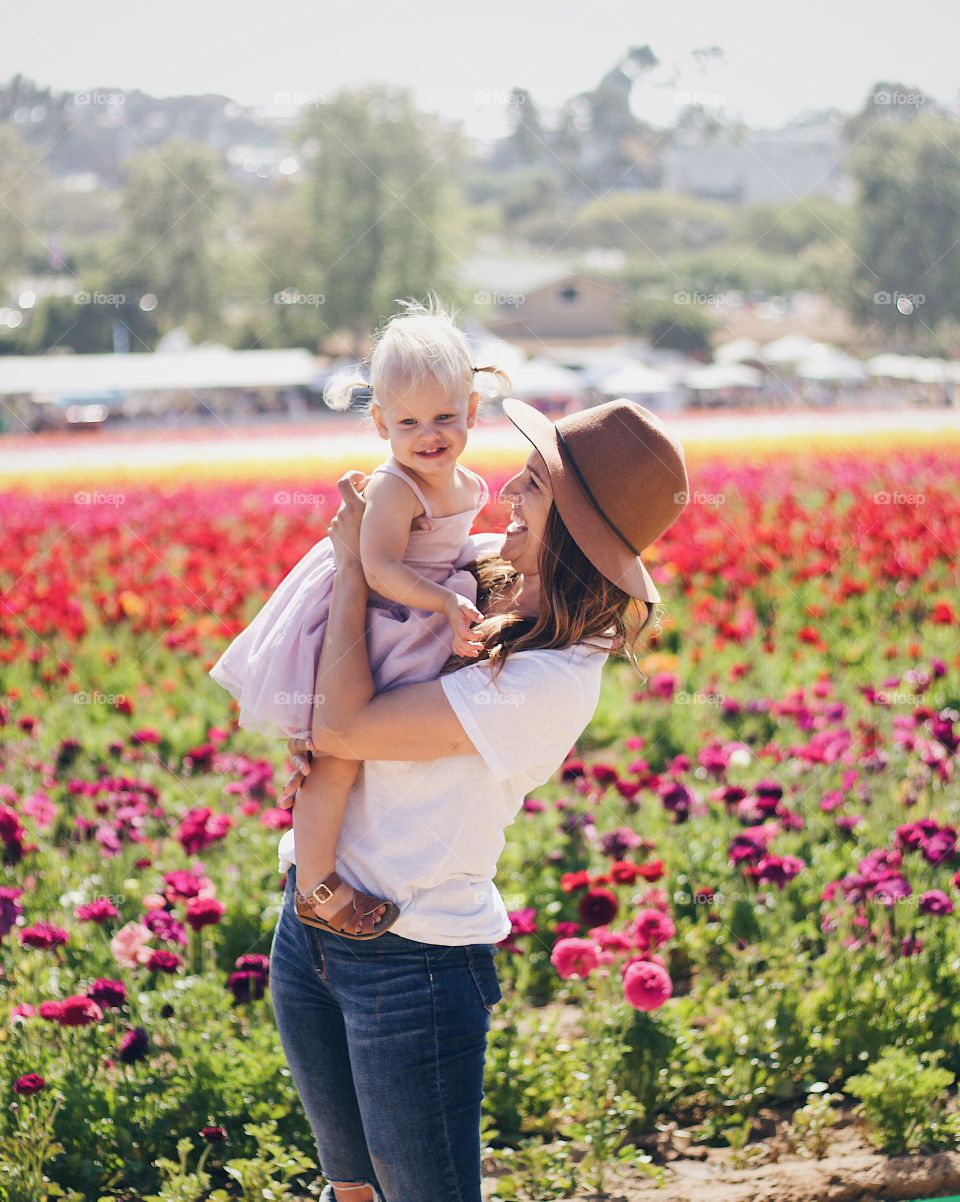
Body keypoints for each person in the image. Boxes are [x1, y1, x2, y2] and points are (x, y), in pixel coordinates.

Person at [268, 393, 691, 1202]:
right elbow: (337, 690)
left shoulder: (552, 678)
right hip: (309, 923)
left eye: (533, 484)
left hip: (413, 959)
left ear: (573, 524)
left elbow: (350, 724)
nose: (508, 495)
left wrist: (357, 570)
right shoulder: (485, 574)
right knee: (351, 1192)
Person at [208, 297, 511, 938]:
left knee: (379, 740)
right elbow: (380, 571)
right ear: (380, 425)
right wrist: (450, 601)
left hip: (416, 613)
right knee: (335, 752)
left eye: (445, 417)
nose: (429, 435)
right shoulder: (398, 486)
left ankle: (375, 852)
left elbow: (450, 551)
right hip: (375, 618)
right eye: (407, 422)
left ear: (474, 412)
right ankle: (318, 884)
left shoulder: (467, 483)